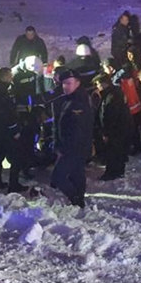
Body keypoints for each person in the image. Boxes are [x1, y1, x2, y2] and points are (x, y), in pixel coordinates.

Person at [51, 68, 94, 208]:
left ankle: (75, 198)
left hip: (74, 148)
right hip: (72, 148)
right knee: (77, 174)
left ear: (77, 83)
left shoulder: (79, 101)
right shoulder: (68, 99)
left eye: (69, 83)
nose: (65, 86)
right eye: (64, 83)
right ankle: (79, 200)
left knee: (58, 177)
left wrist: (63, 148)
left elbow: (78, 130)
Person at [93, 74, 132, 181]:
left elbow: (109, 116)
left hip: (115, 131)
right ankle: (119, 171)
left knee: (112, 152)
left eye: (98, 84)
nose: (98, 87)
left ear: (105, 84)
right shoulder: (114, 93)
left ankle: (111, 173)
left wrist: (106, 133)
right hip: (119, 129)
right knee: (118, 151)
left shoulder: (111, 97)